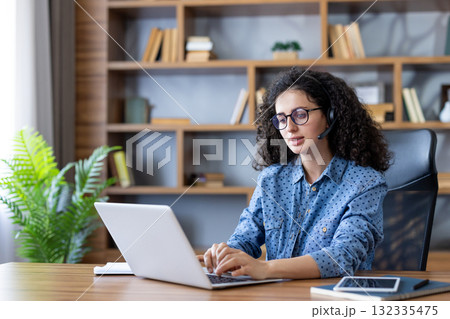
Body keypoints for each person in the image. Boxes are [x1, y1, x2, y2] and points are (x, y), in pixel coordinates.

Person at [198, 67, 392, 280]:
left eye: (300, 115)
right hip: (278, 298)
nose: (289, 128)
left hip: (330, 300)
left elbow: (343, 257)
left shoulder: (365, 183)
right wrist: (225, 255)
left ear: (330, 117)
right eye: (281, 118)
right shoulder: (271, 180)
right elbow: (244, 240)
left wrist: (266, 268)